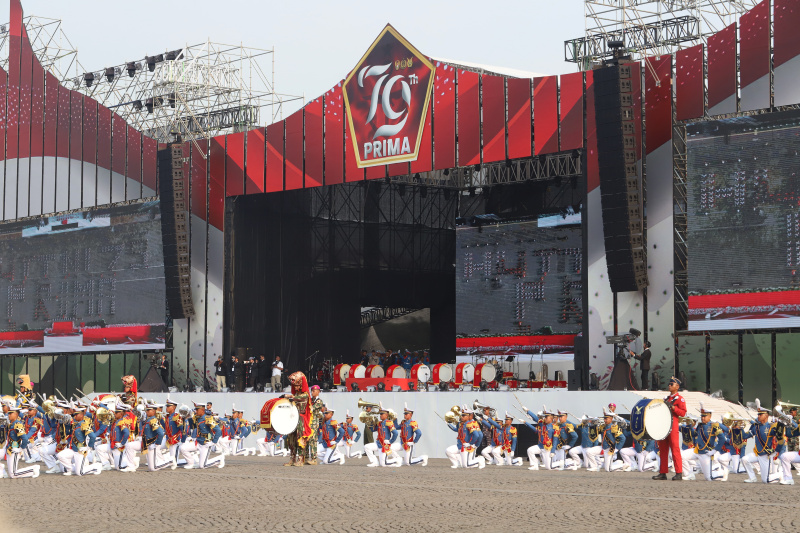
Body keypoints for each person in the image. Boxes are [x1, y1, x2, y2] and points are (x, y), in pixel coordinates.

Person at [651, 376, 687, 481]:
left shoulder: (680, 399)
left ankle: (679, 472)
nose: (669, 386)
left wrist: (673, 407)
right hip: (664, 425)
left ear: (677, 386)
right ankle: (662, 472)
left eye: (672, 384)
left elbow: (683, 413)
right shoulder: (667, 398)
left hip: (673, 425)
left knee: (675, 449)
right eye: (669, 384)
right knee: (662, 449)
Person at [5, 405, 40, 479]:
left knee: (13, 474)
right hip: (10, 449)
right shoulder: (11, 424)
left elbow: (24, 438)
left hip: (14, 449)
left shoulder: (17, 424)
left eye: (11, 413)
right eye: (8, 413)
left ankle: (33, 469)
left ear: (16, 414)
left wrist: (20, 448)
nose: (9, 415)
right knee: (11, 472)